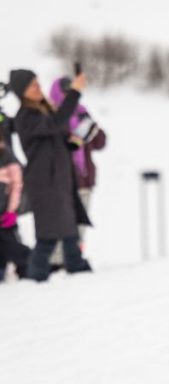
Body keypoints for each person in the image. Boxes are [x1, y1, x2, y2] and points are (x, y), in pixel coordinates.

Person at [10, 69, 92, 281]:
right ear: (22, 91)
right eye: (32, 85)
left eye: (38, 83)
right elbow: (55, 123)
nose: (38, 88)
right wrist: (74, 92)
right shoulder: (25, 117)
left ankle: (75, 266)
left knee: (68, 231)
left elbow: (53, 141)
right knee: (48, 236)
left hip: (59, 180)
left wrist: (71, 143)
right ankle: (36, 276)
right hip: (45, 182)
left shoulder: (43, 112)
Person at [49, 77, 106, 264]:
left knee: (79, 223)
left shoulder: (82, 113)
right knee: (60, 222)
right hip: (62, 180)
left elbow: (100, 143)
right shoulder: (52, 117)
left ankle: (75, 258)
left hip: (84, 179)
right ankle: (57, 261)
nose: (68, 97)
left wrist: (90, 126)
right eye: (65, 92)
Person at [0, 104, 30, 281]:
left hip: (6, 203)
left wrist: (12, 210)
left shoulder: (6, 153)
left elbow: (11, 123)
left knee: (9, 236)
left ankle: (27, 264)